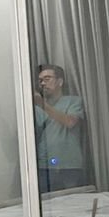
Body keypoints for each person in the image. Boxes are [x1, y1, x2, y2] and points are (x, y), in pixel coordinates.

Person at [34, 65, 85, 193]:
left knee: (73, 201)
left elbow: (70, 122)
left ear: (60, 82)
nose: (43, 83)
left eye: (47, 79)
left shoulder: (73, 101)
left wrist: (43, 105)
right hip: (44, 166)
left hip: (69, 166)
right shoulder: (36, 108)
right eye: (40, 80)